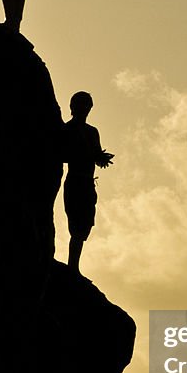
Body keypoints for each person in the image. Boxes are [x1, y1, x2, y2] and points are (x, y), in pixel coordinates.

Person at [61, 91, 114, 273]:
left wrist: (101, 158)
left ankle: (74, 267)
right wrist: (88, 155)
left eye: (87, 106)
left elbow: (96, 155)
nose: (85, 109)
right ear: (73, 107)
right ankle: (72, 267)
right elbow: (63, 155)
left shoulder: (92, 132)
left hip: (87, 183)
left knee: (84, 225)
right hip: (75, 181)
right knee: (76, 225)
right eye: (81, 105)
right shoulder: (67, 130)